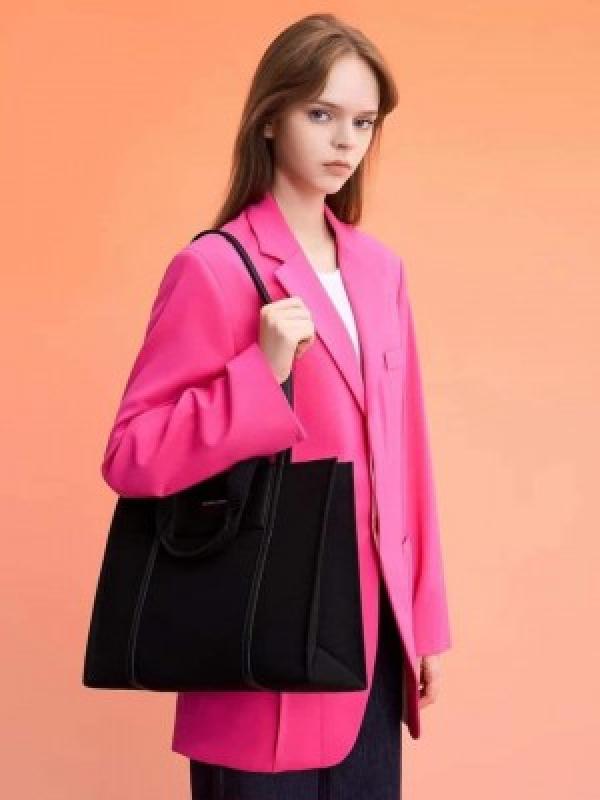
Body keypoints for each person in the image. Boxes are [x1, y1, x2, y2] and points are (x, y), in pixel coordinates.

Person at [100, 12, 452, 799]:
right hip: (258, 645)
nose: (345, 141)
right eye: (321, 114)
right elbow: (131, 455)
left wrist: (422, 621)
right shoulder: (213, 268)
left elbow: (408, 457)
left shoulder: (380, 272)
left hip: (371, 653)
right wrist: (259, 372)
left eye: (363, 121)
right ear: (270, 117)